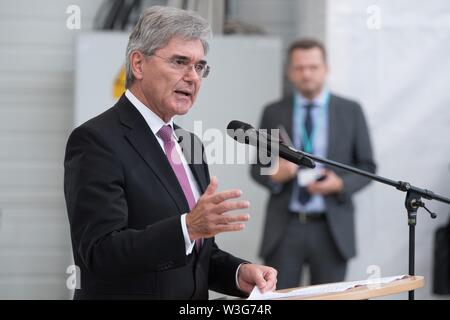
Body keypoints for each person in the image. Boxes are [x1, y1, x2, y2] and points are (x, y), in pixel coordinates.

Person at [64, 6, 277, 300]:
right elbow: (101, 253)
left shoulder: (190, 145)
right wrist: (188, 227)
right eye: (180, 62)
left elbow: (195, 253)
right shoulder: (96, 140)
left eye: (200, 66)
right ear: (138, 64)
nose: (193, 77)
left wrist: (238, 273)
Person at [251, 38, 376, 289]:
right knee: (278, 296)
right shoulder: (273, 111)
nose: (306, 73)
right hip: (285, 226)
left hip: (331, 228)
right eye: (299, 68)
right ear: (289, 72)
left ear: (325, 68)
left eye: (313, 67)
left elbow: (367, 166)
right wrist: (275, 175)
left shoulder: (350, 110)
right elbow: (258, 168)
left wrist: (340, 184)